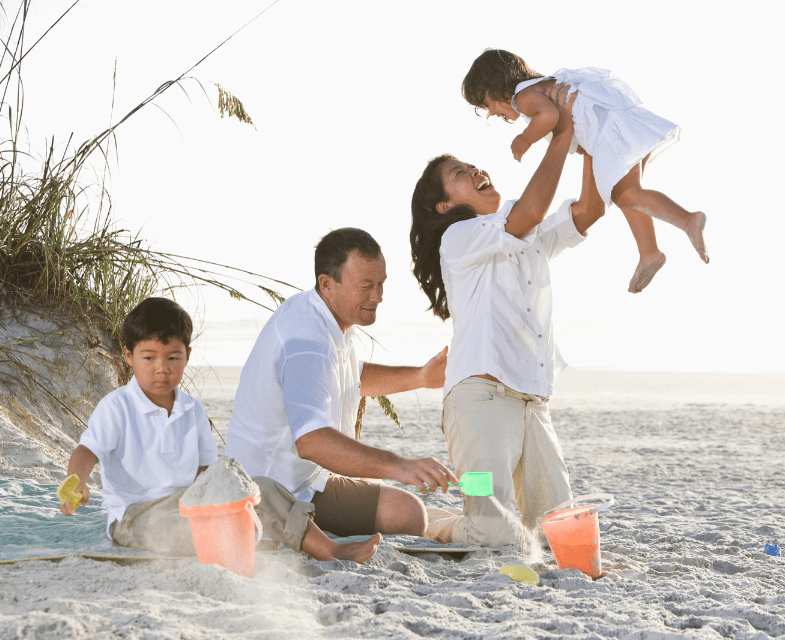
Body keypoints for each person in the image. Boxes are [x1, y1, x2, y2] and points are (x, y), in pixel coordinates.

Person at [409, 86, 605, 547]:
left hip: (531, 405)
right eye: (460, 174)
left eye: (473, 165)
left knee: (563, 536)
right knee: (491, 529)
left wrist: (589, 140)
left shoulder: (526, 231)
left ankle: (468, 507)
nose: (477, 170)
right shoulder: (457, 239)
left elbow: (590, 209)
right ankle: (429, 521)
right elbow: (531, 211)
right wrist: (560, 134)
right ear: (445, 205)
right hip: (477, 405)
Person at [60, 297, 379, 563]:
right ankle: (242, 541)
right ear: (129, 357)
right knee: (191, 532)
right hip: (136, 516)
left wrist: (232, 492)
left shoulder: (192, 410)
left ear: (187, 357)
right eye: (149, 357)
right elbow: (87, 451)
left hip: (187, 503)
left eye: (173, 357)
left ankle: (331, 549)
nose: (162, 368)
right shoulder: (117, 407)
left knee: (264, 488)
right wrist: (77, 482)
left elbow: (205, 472)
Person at [226, 228, 459, 546]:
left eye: (381, 284)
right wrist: (398, 465)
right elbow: (311, 441)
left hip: (301, 477)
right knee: (408, 512)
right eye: (366, 286)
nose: (377, 297)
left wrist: (420, 377)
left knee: (379, 489)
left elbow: (350, 376)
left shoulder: (320, 314)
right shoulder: (307, 341)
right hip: (273, 491)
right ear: (327, 284)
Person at [462, 48, 709, 294]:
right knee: (623, 193)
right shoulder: (541, 86)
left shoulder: (522, 96)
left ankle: (688, 220)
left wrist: (525, 140)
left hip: (611, 132)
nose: (491, 113)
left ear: (496, 87)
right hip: (616, 125)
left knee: (627, 193)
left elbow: (548, 116)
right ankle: (649, 252)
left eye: (487, 104)